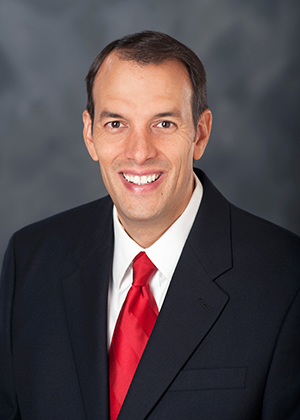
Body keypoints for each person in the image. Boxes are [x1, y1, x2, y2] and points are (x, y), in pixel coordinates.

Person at [0, 31, 299, 420]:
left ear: (200, 133)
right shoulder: (31, 260)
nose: (139, 152)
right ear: (89, 134)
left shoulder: (287, 279)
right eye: (116, 124)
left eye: (163, 124)